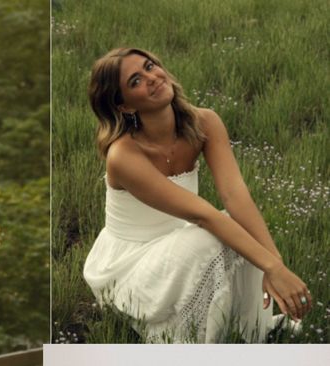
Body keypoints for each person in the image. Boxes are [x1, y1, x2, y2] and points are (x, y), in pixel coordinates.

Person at [83, 47, 313, 343]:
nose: (152, 78)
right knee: (212, 236)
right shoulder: (123, 155)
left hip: (179, 242)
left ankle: (250, 329)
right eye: (136, 81)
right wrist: (271, 266)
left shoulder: (205, 122)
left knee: (236, 227)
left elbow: (235, 196)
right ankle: (195, 345)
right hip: (131, 266)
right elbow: (202, 215)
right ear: (125, 107)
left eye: (150, 66)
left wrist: (276, 264)